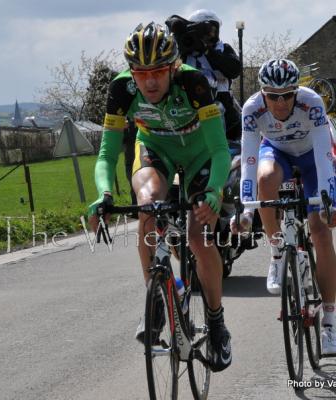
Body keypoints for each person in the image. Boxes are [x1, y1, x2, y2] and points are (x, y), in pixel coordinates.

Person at [88, 22, 232, 371]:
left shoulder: (193, 83)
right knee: (148, 205)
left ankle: (216, 324)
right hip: (156, 150)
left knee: (198, 237)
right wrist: (103, 195)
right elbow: (106, 155)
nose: (149, 82)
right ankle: (155, 299)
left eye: (157, 72)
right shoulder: (122, 88)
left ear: (172, 68)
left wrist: (213, 190)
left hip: (200, 155)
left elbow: (219, 150)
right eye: (141, 73)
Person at [231, 58, 336, 354]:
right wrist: (247, 210)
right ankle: (278, 252)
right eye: (273, 96)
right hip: (276, 152)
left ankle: (330, 320)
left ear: (296, 90)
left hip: (314, 156)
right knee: (266, 179)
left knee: (321, 230)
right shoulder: (253, 109)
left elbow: (325, 159)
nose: (280, 102)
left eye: (287, 94)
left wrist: (328, 200)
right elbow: (249, 160)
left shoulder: (311, 103)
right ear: (263, 93)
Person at [165, 9, 241, 140]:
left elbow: (234, 70)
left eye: (213, 29)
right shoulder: (183, 51)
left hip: (223, 103)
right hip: (190, 105)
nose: (211, 34)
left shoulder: (223, 48)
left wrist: (206, 50)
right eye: (206, 30)